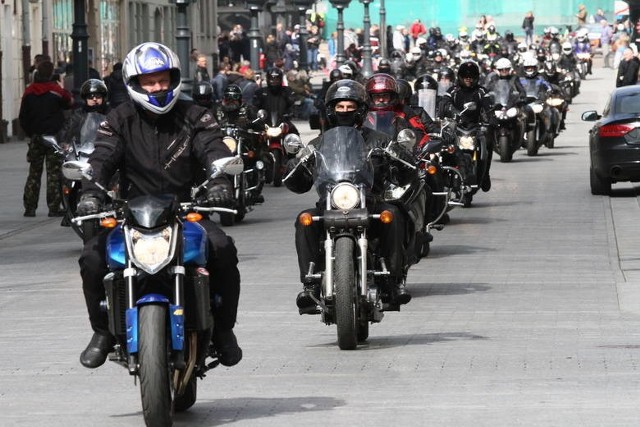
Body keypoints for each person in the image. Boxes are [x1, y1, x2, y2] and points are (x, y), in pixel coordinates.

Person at [75, 42, 242, 369]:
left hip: (185, 211)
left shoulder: (196, 116)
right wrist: (90, 191)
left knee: (223, 248)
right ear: (135, 84)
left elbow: (214, 150)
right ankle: (102, 332)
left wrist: (220, 184)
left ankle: (224, 331)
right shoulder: (118, 119)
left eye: (163, 80)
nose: (157, 88)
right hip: (131, 215)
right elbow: (101, 157)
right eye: (150, 82)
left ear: (174, 79)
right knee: (92, 257)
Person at [285, 79, 412, 313]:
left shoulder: (379, 140)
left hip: (370, 201)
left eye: (350, 107)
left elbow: (406, 170)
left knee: (393, 214)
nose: (344, 112)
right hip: (330, 204)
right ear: (331, 110)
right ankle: (310, 284)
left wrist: (399, 156)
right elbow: (296, 181)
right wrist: (296, 162)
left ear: (361, 109)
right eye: (340, 107)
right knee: (304, 219)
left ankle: (393, 281)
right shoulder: (319, 142)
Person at [19, 60, 74, 217]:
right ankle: (53, 207)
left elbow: (23, 116)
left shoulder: (29, 91)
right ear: (51, 73)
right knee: (54, 173)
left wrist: (30, 132)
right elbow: (69, 102)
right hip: (53, 137)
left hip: (36, 136)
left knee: (34, 172)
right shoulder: (56, 90)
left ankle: (30, 207)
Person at [439, 61, 493, 192]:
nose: (468, 79)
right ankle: (444, 175)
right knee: (444, 148)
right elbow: (444, 104)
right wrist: (451, 111)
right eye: (465, 76)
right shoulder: (453, 91)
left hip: (476, 127)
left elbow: (488, 107)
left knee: (488, 142)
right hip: (456, 127)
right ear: (460, 77)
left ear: (476, 77)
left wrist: (492, 119)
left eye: (472, 76)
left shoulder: (481, 91)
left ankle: (485, 174)